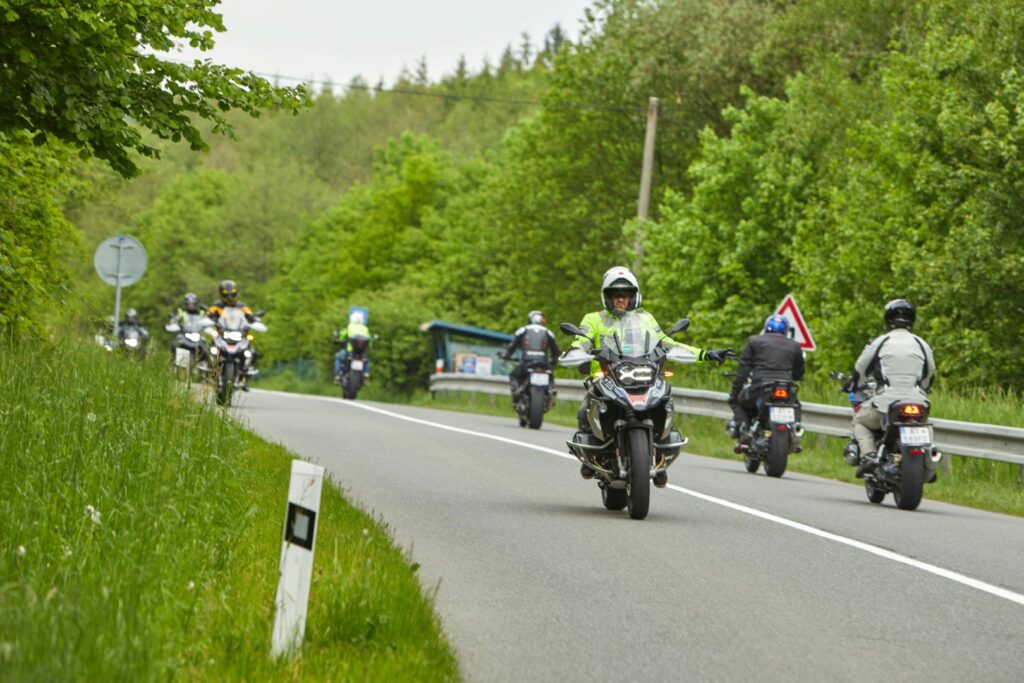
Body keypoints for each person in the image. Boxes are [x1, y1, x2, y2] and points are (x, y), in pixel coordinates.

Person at [563, 266, 733, 486]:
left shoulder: (646, 320)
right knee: (585, 406)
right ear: (607, 297)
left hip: (643, 372)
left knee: (665, 400)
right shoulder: (593, 319)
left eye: (625, 295)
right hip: (606, 376)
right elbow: (582, 340)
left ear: (634, 296)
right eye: (616, 295)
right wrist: (577, 352)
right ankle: (590, 457)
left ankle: (659, 455)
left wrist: (706, 354)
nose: (621, 300)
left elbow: (667, 342)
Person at [845, 299, 936, 477]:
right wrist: (922, 390)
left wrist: (855, 384)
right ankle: (930, 464)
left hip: (886, 404)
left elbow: (860, 368)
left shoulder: (881, 341)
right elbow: (930, 374)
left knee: (859, 421)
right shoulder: (921, 344)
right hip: (918, 403)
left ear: (887, 319)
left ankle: (869, 455)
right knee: (925, 426)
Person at [726, 314, 805, 441]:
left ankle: (744, 429)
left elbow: (744, 369)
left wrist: (734, 393)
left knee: (738, 402)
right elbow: (799, 372)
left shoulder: (754, 341)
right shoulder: (795, 346)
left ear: (766, 327)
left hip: (759, 387)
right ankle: (795, 432)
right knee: (796, 405)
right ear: (785, 330)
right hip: (786, 387)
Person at [208, 280, 261, 389]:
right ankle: (210, 371)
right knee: (210, 348)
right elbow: (209, 313)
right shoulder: (217, 305)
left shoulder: (242, 306)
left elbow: (250, 315)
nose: (230, 298)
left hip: (239, 334)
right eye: (227, 295)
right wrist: (210, 317)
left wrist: (253, 319)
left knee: (252, 352)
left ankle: (245, 376)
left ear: (236, 294)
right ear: (221, 295)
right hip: (222, 335)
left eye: (232, 295)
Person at [501, 310, 560, 400]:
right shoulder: (548, 332)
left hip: (526, 361)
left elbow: (513, 345)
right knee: (550, 374)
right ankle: (551, 389)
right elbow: (555, 350)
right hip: (543, 362)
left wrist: (506, 354)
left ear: (530, 319)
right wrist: (555, 360)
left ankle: (516, 393)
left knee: (514, 375)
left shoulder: (523, 329)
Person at [334, 309, 371, 383]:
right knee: (366, 360)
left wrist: (339, 339)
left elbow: (342, 335)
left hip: (350, 350)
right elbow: (369, 340)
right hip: (361, 352)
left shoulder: (350, 327)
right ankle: (366, 373)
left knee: (338, 357)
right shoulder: (365, 328)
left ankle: (338, 375)